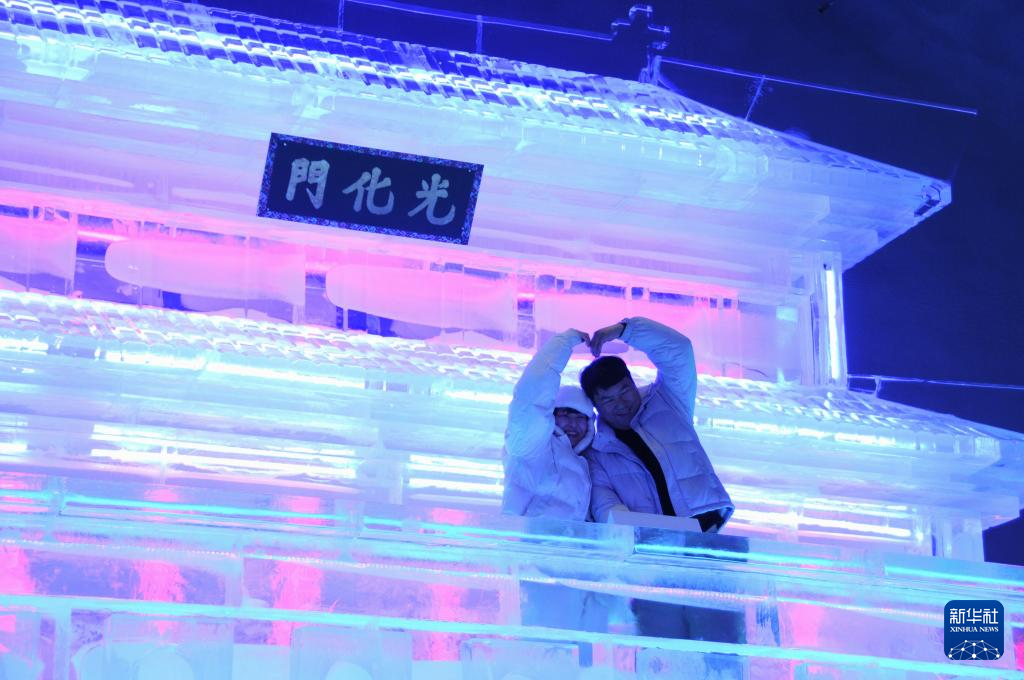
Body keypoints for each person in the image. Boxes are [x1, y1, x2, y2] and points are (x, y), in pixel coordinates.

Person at [581, 317, 743, 648]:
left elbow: (679, 350)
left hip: (706, 543)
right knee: (663, 654)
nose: (621, 403)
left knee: (722, 648)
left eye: (624, 391)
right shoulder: (598, 454)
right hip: (652, 562)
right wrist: (641, 540)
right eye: (608, 400)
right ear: (596, 407)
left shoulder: (668, 401)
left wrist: (624, 331)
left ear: (632, 382)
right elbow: (606, 508)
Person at [502, 328, 595, 520]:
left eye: (580, 417)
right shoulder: (532, 445)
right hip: (528, 538)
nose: (573, 423)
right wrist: (562, 343)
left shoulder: (584, 462)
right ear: (552, 415)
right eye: (565, 414)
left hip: (561, 540)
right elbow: (532, 398)